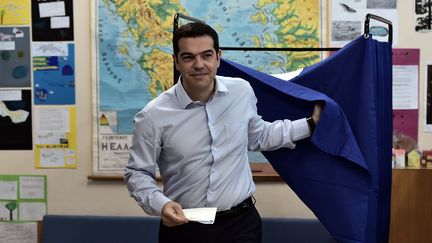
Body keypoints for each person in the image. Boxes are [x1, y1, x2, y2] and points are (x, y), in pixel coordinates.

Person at [124, 21, 323, 243]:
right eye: (189, 57)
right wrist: (160, 205)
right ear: (176, 61)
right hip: (184, 228)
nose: (199, 64)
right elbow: (137, 173)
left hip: (241, 225)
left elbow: (259, 136)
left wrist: (310, 124)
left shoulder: (241, 91)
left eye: (206, 55)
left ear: (218, 57)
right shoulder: (153, 115)